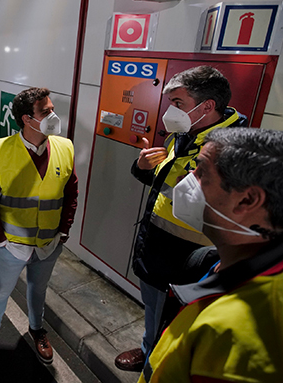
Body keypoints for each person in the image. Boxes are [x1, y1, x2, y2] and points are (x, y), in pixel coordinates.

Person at [116, 66, 247, 372]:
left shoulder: (231, 152)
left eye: (178, 103)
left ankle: (156, 367)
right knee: (153, 312)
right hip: (156, 246)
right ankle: (149, 348)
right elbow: (166, 184)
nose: (169, 112)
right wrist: (143, 167)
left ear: (208, 106)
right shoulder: (186, 134)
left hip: (186, 260)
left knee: (172, 324)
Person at [139, 127, 283, 382]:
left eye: (201, 171)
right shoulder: (213, 262)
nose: (188, 179)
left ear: (246, 201)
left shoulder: (238, 336)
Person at [0, 87, 78, 365]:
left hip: (49, 244)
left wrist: (65, 230)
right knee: (1, 291)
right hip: (12, 244)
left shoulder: (65, 147)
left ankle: (37, 330)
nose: (53, 116)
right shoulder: (2, 150)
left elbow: (71, 193)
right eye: (46, 112)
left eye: (52, 110)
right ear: (26, 118)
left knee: (38, 290)